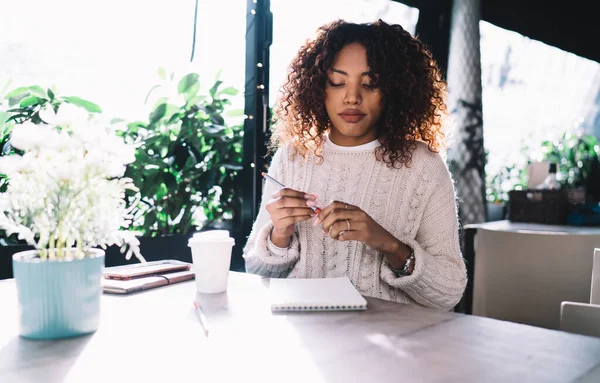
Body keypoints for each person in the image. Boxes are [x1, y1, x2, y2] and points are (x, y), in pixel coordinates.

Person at [243, 19, 467, 311]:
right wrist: (279, 234)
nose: (352, 97)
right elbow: (256, 270)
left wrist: (387, 243)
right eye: (337, 82)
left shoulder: (423, 166)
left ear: (393, 91)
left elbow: (449, 292)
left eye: (370, 84)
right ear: (319, 87)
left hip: (391, 344)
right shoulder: (292, 157)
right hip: (304, 340)